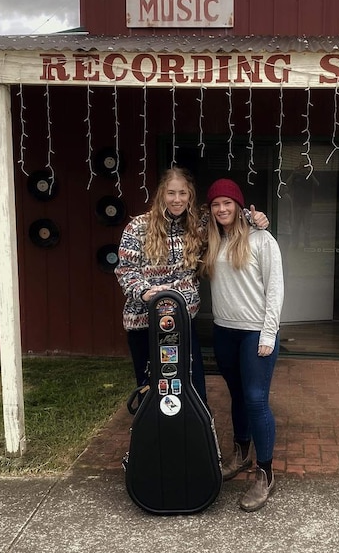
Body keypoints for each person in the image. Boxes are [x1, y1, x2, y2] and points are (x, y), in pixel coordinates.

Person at [115, 166, 267, 406]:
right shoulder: (138, 227)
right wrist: (145, 293)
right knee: (151, 389)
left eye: (183, 193)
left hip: (183, 323)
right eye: (171, 193)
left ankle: (197, 438)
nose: (177, 200)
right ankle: (153, 439)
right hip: (145, 323)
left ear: (190, 196)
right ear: (162, 194)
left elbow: (226, 214)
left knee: (193, 387)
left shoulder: (197, 226)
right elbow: (126, 270)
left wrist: (254, 218)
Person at [201, 178, 284, 513]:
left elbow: (275, 289)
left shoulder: (262, 239)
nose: (222, 209)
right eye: (216, 204)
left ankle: (265, 473)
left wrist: (268, 333)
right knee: (237, 395)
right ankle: (241, 453)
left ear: (239, 206)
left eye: (228, 203)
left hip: (255, 333)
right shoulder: (211, 241)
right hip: (225, 332)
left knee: (255, 399)